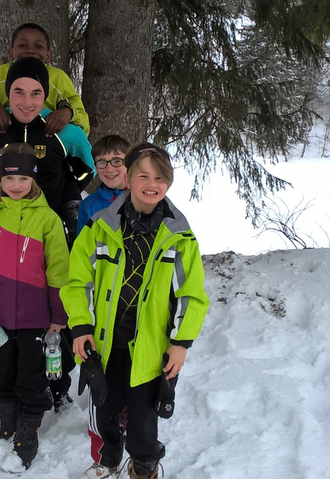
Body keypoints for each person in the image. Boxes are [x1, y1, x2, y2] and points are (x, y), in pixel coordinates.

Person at [61, 143, 210, 479]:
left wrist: (180, 343)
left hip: (150, 347)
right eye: (143, 175)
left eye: (160, 177)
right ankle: (108, 458)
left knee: (143, 417)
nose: (151, 183)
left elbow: (192, 296)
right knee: (104, 408)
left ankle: (143, 464)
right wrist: (82, 326)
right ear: (128, 178)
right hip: (104, 342)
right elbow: (77, 282)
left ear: (168, 183)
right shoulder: (99, 226)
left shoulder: (180, 237)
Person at [0, 56, 93, 417]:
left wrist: (59, 203)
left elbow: (84, 173)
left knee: (52, 310)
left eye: (36, 93)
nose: (26, 100)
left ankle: (56, 385)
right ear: (5, 93)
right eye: (18, 92)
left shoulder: (62, 131)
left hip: (45, 235)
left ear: (46, 96)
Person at [0, 144, 70, 473]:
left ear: (34, 181)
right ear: (1, 179)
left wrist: (58, 316)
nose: (16, 185)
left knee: (30, 375)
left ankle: (28, 429)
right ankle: (8, 422)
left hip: (34, 318)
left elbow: (59, 271)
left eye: (24, 179)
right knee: (1, 372)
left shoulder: (48, 219)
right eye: (10, 179)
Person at [0, 22, 89, 136]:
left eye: (38, 46)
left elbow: (84, 123)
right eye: (22, 45)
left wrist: (68, 113)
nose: (30, 50)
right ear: (11, 53)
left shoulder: (58, 78)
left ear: (48, 56)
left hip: (49, 149)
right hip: (6, 150)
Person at [77, 134, 131, 235]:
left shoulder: (143, 199)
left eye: (116, 161)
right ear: (96, 167)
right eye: (102, 162)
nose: (109, 169)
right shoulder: (89, 206)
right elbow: (81, 248)